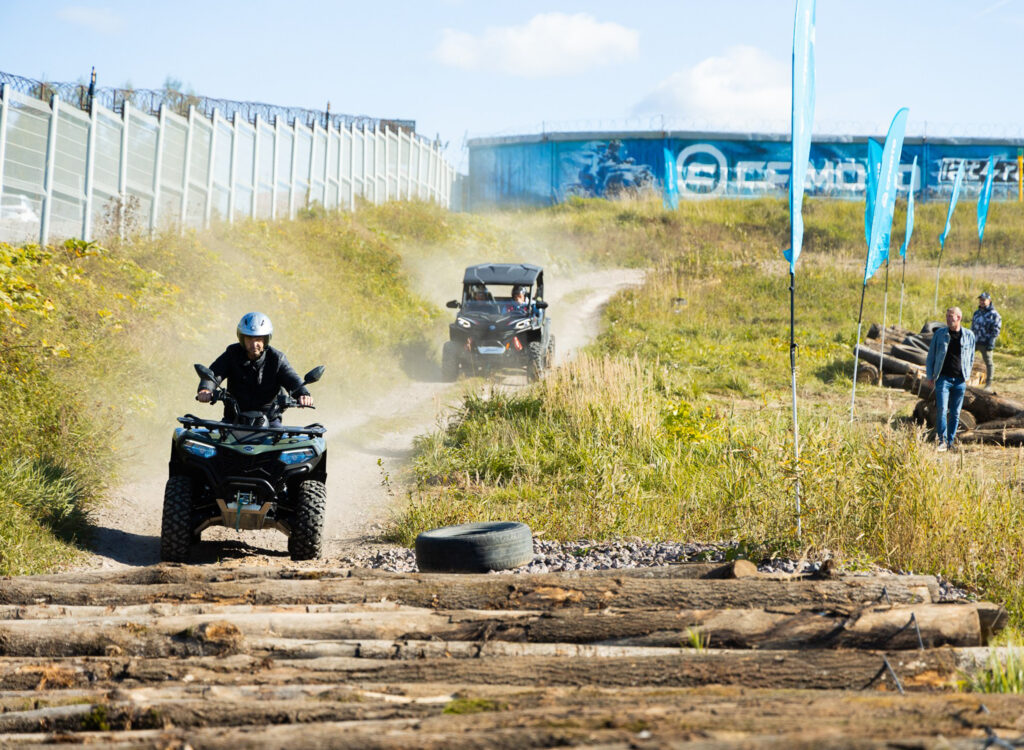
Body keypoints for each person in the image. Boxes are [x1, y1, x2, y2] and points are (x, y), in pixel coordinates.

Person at [197, 312, 312, 425]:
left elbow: (291, 378)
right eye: (249, 339)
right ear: (242, 339)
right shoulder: (232, 354)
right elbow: (214, 374)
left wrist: (303, 394)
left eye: (258, 339)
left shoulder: (277, 359)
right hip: (233, 420)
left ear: (266, 339)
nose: (254, 344)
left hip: (270, 421)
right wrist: (206, 389)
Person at [925, 306, 976, 452]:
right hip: (943, 379)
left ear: (958, 318)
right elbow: (931, 356)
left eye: (950, 316)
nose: (948, 319)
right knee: (942, 409)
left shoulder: (969, 335)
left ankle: (950, 441)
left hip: (960, 381)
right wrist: (930, 375)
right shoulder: (940, 334)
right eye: (947, 316)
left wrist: (968, 374)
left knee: (956, 412)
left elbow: (971, 357)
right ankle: (942, 440)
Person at [970, 292, 1002, 390]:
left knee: (989, 363)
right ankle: (965, 378)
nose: (982, 302)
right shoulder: (977, 313)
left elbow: (996, 330)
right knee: (967, 358)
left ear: (989, 301)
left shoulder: (994, 314)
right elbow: (973, 327)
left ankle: (988, 384)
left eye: (984, 300)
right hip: (975, 341)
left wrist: (991, 341)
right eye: (981, 300)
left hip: (986, 343)